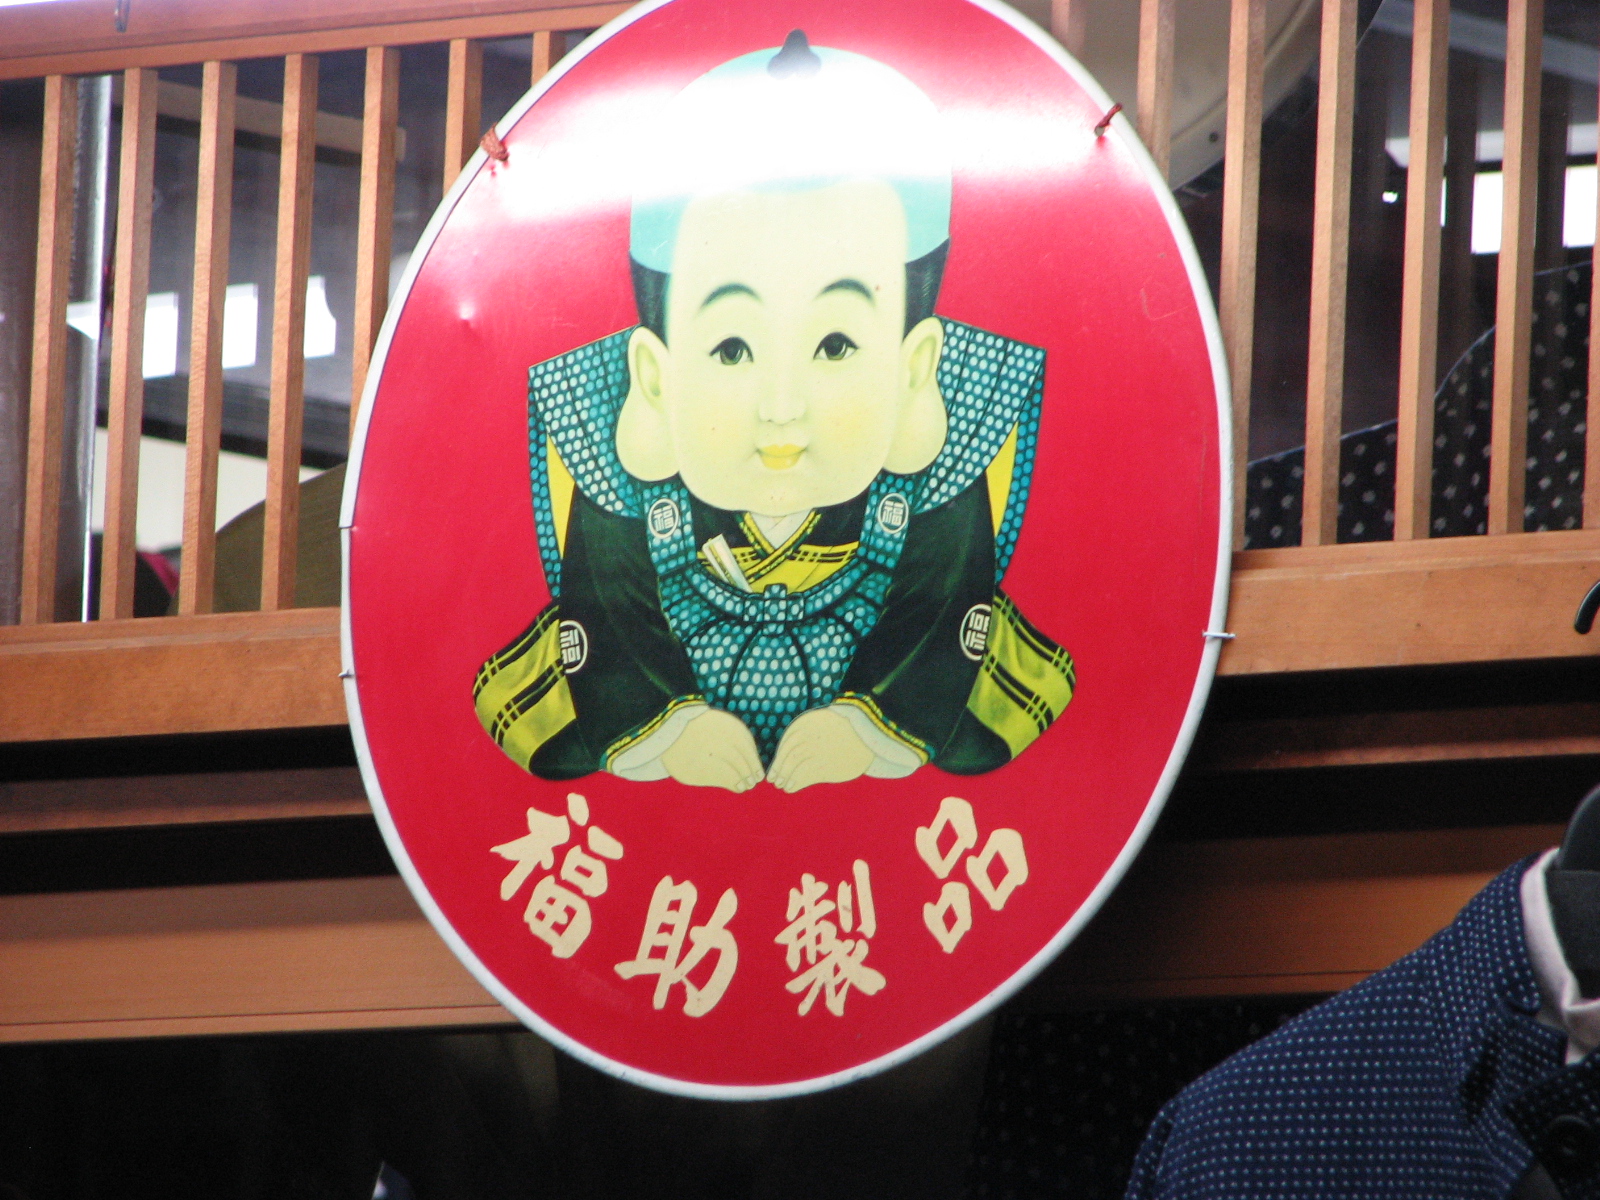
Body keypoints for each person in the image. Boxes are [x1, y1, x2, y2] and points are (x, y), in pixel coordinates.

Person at [475, 31, 1074, 794]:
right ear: (654, 379)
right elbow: (611, 611)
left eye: (835, 345)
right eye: (732, 349)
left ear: (915, 369)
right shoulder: (600, 438)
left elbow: (939, 606)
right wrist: (669, 728)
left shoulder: (958, 441)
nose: (783, 408)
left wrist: (866, 724)